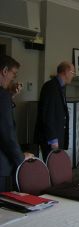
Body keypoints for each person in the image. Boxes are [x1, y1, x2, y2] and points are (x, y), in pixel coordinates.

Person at [0, 55, 33, 192]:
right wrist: (20, 157)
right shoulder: (2, 95)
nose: (14, 77)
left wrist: (10, 96)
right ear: (5, 71)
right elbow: (7, 132)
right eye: (14, 73)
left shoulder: (4, 95)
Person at [34, 61, 75, 161]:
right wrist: (53, 140)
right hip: (51, 140)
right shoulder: (50, 87)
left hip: (56, 138)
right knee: (52, 169)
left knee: (55, 168)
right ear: (65, 72)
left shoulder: (60, 87)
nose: (73, 76)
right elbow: (47, 115)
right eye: (73, 73)